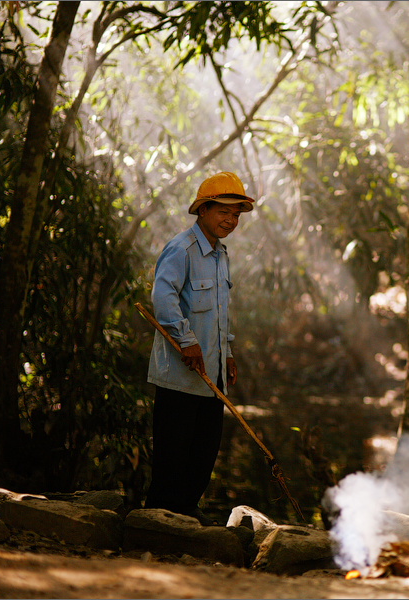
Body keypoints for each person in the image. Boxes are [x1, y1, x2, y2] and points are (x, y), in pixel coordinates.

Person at [143, 171, 254, 525]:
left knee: (204, 451)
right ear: (203, 210)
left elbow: (221, 312)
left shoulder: (221, 255)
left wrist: (228, 352)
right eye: (223, 211)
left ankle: (186, 515)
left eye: (236, 215)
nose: (230, 220)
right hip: (180, 374)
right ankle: (158, 522)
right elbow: (163, 299)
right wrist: (186, 341)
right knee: (172, 452)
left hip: (212, 376)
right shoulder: (182, 248)